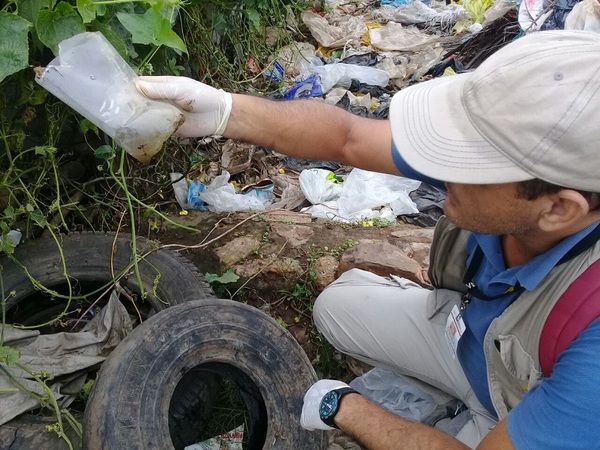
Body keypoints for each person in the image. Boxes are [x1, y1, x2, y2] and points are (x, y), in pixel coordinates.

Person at [137, 30, 600, 449]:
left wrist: (344, 406)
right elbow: (349, 137)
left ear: (560, 209)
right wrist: (224, 111)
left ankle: (477, 419)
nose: (441, 169)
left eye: (468, 162)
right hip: (471, 345)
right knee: (334, 308)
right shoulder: (525, 178)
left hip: (519, 406)